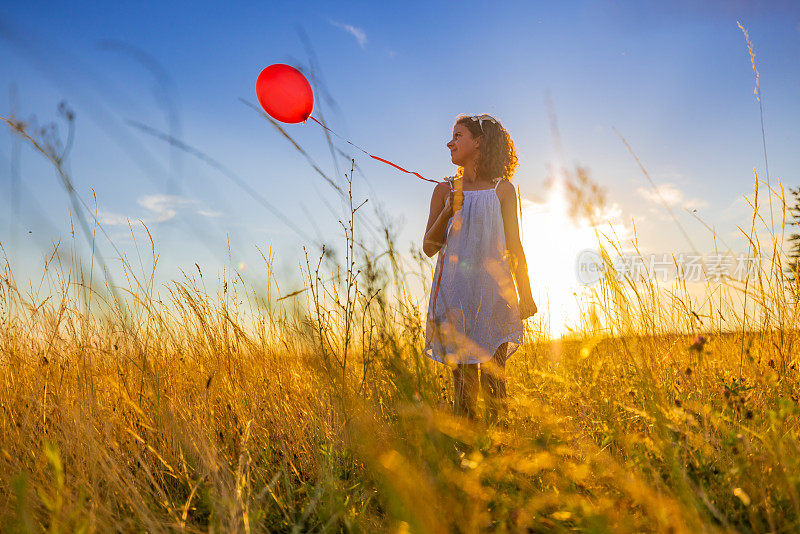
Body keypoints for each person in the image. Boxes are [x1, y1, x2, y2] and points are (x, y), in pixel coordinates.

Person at [422, 113, 537, 426]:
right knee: (464, 388)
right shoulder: (443, 190)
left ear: (479, 142)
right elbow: (428, 247)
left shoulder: (503, 190)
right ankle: (471, 456)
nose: (450, 142)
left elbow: (514, 246)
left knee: (495, 383)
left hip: (495, 298)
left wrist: (525, 294)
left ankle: (503, 453)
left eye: (458, 135)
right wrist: (447, 211)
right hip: (454, 298)